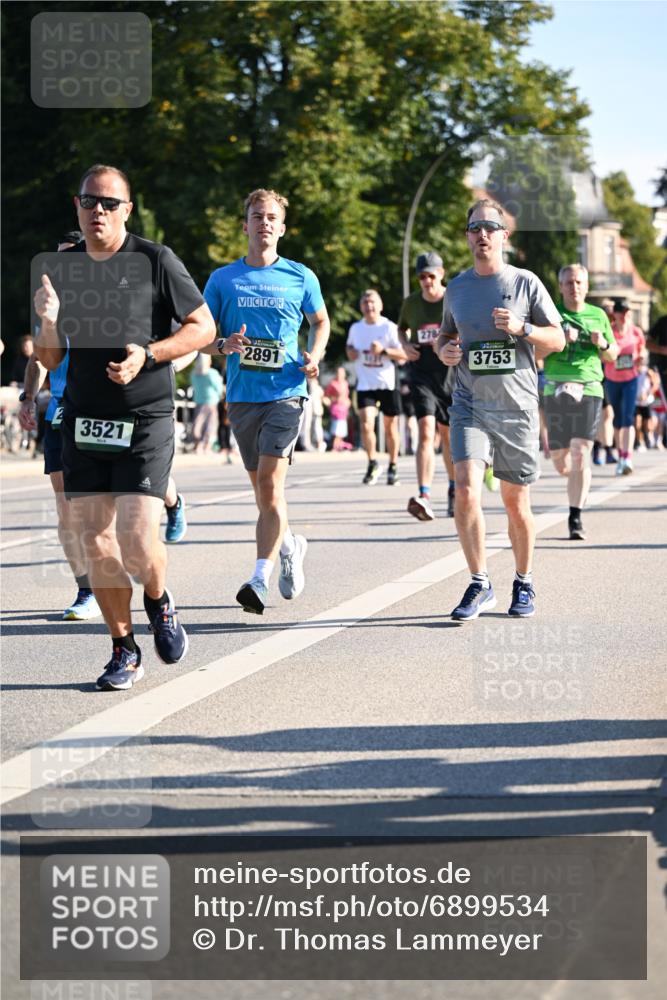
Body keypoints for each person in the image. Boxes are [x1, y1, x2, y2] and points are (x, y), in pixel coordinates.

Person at [33, 163, 215, 690]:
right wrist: (46, 321)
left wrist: (150, 354)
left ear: (127, 211)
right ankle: (123, 648)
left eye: (110, 204)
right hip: (85, 422)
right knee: (97, 543)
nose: (98, 212)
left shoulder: (155, 260)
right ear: (77, 206)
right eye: (90, 202)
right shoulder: (61, 269)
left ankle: (158, 599)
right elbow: (50, 355)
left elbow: (203, 327)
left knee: (137, 540)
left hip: (144, 419)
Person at [203, 188, 330, 615]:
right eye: (257, 216)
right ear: (245, 225)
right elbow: (200, 335)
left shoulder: (301, 276)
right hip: (242, 397)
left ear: (282, 227)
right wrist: (223, 344)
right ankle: (291, 545)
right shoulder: (223, 279)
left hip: (286, 392)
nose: (264, 223)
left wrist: (316, 355)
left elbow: (321, 321)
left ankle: (259, 577)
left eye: (272, 217)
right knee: (264, 493)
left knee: (272, 486)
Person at [436, 198, 564, 620]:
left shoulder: (526, 283)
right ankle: (478, 581)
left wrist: (522, 328)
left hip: (516, 406)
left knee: (515, 502)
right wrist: (447, 351)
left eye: (490, 227)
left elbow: (557, 339)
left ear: (504, 236)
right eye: (475, 228)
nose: (482, 235)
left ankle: (524, 581)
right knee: (467, 491)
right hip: (470, 404)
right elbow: (444, 338)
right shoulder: (456, 288)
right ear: (468, 237)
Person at [18, 230, 101, 620]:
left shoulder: (107, 301)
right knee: (66, 505)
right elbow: (36, 359)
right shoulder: (50, 310)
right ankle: (85, 590)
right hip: (62, 411)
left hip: (104, 411)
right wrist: (28, 397)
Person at [543, 264, 618, 540]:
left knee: (581, 451)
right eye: (569, 282)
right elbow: (536, 350)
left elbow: (613, 355)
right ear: (560, 286)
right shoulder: (550, 314)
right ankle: (574, 479)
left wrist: (604, 345)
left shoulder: (598, 315)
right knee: (561, 461)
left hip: (589, 387)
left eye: (579, 282)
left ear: (586, 286)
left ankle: (575, 516)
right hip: (555, 389)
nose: (574, 287)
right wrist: (559, 341)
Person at [398, 251, 456, 520]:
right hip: (421, 372)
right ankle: (424, 494)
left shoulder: (452, 299)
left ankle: (454, 488)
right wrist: (405, 345)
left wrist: (451, 343)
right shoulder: (411, 304)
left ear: (441, 274)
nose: (427, 281)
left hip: (449, 373)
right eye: (422, 276)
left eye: (431, 275)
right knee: (425, 430)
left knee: (447, 436)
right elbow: (401, 329)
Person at [346, 289, 407, 485]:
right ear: (361, 306)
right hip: (365, 384)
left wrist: (384, 350)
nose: (369, 306)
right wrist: (351, 353)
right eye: (365, 302)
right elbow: (349, 349)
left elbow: (405, 355)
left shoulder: (389, 327)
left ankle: (393, 465)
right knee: (366, 423)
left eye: (372, 302)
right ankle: (373, 463)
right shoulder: (356, 328)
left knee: (390, 427)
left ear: (380, 305)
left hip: (387, 383)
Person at [605, 298, 645, 475]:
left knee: (628, 417)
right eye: (622, 311)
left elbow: (642, 349)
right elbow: (603, 354)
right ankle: (620, 454)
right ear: (615, 313)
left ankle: (627, 458)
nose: (626, 315)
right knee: (617, 419)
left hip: (631, 378)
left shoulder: (636, 332)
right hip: (612, 378)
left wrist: (641, 356)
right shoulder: (609, 332)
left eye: (628, 311)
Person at [191, 352, 224, 453]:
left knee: (198, 423)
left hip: (198, 401)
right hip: (211, 402)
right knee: (210, 425)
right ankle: (206, 446)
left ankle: (198, 445)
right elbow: (218, 388)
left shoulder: (193, 373)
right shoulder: (212, 373)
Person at [324, 367, 352, 451]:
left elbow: (346, 396)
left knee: (342, 428)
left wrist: (348, 402)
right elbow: (326, 396)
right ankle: (334, 446)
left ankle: (339, 446)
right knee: (337, 428)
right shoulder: (333, 383)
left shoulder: (345, 383)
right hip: (336, 408)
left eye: (342, 373)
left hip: (344, 409)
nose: (340, 375)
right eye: (339, 373)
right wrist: (332, 401)